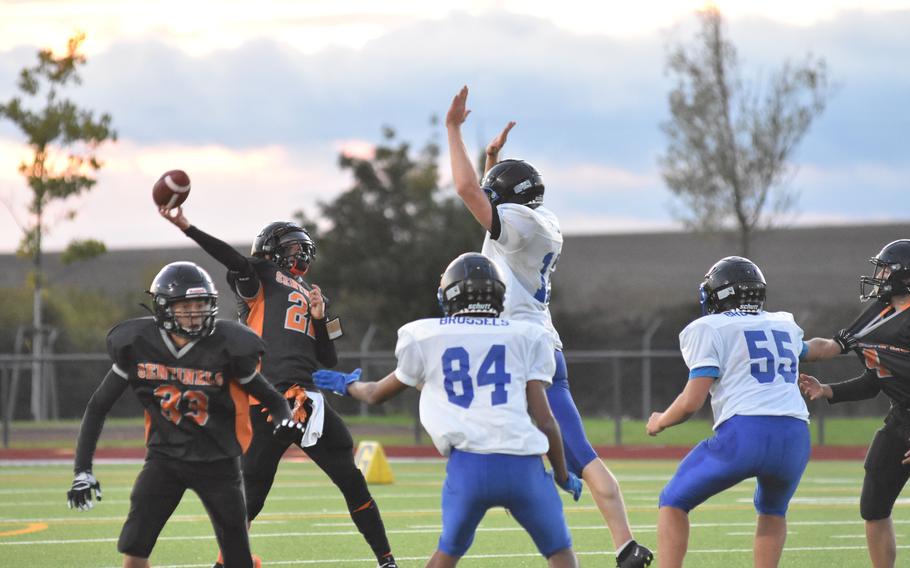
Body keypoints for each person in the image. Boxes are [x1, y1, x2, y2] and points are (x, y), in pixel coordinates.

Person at [444, 85, 652, 568]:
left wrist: (453, 129)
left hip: (515, 350)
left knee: (473, 444)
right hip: (541, 345)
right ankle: (625, 545)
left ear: (510, 201)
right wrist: (494, 157)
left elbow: (467, 190)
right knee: (575, 451)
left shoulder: (519, 224)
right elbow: (490, 198)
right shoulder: (541, 220)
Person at [159, 207, 397, 568]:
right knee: (252, 494)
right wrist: (189, 227)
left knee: (350, 481)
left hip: (306, 402)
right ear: (274, 249)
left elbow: (328, 359)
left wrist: (319, 319)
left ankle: (388, 561)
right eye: (291, 246)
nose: (298, 253)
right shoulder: (263, 275)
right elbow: (233, 260)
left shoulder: (315, 294)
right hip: (269, 399)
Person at [314, 252, 582, 568]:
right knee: (560, 552)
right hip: (522, 465)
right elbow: (546, 421)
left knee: (447, 554)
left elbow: (374, 395)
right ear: (499, 294)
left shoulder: (427, 335)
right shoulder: (525, 335)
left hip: (468, 468)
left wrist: (344, 383)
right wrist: (563, 475)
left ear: (449, 294)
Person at [67, 261, 303, 568]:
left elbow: (272, 398)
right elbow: (98, 406)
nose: (195, 313)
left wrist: (284, 419)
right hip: (165, 459)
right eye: (185, 305)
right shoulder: (139, 345)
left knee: (237, 557)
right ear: (163, 308)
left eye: (201, 304)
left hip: (219, 461)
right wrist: (82, 469)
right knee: (135, 550)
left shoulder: (227, 346)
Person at [646, 256, 814, 568]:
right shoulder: (783, 324)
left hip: (745, 435)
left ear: (719, 294)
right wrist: (848, 342)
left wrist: (660, 421)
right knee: (773, 510)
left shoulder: (710, 327)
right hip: (795, 436)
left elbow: (690, 403)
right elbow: (817, 349)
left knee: (673, 501)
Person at [799, 239, 910, 568]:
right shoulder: (882, 311)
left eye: (886, 268)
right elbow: (876, 377)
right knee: (873, 506)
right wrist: (828, 390)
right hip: (901, 421)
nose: (879, 275)